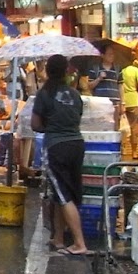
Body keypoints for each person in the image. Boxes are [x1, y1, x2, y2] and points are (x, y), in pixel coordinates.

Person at [32, 54, 89, 256]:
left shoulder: (44, 93)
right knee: (64, 192)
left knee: (63, 194)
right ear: (66, 71)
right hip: (77, 144)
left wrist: (51, 125)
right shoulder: (75, 95)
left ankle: (79, 243)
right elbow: (77, 118)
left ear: (47, 71)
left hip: (56, 146)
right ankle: (58, 238)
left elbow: (35, 124)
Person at [118, 53, 138, 159]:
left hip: (122, 100)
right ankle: (134, 152)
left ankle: (122, 150)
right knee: (134, 126)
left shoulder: (120, 71)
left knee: (122, 126)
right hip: (134, 100)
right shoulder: (135, 70)